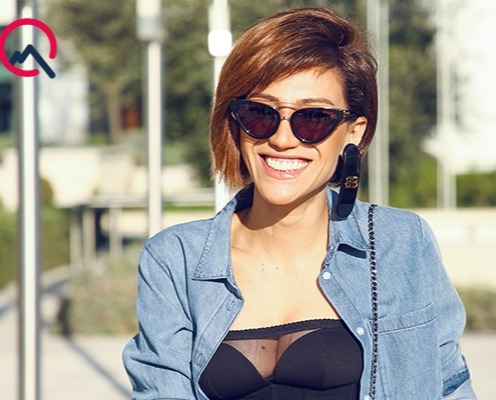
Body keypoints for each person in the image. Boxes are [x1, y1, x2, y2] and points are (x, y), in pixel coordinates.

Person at [123, 6, 476, 400]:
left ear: (354, 132)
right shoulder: (176, 260)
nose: (282, 139)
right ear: (235, 124)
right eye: (260, 114)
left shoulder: (398, 243)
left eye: (313, 118)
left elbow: (449, 385)